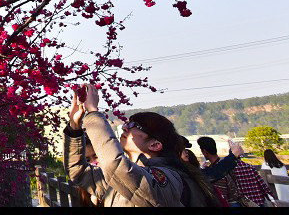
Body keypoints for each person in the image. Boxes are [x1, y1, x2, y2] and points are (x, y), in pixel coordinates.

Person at [63, 83, 220, 207]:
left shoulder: (169, 177)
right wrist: (74, 126)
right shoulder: (117, 176)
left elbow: (116, 166)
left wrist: (93, 113)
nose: (125, 127)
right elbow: (78, 171)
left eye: (134, 125)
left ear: (155, 145)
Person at [198, 136, 272, 207]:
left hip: (235, 203)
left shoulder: (220, 170)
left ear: (205, 151)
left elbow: (223, 194)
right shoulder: (248, 166)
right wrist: (271, 198)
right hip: (255, 201)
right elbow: (263, 185)